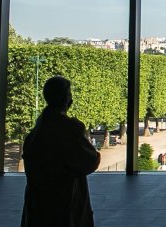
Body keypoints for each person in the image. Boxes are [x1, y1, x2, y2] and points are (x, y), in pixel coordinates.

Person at [21, 76, 101, 227]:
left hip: (38, 203)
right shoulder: (68, 128)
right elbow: (90, 161)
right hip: (64, 202)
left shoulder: (37, 130)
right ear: (66, 98)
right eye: (69, 94)